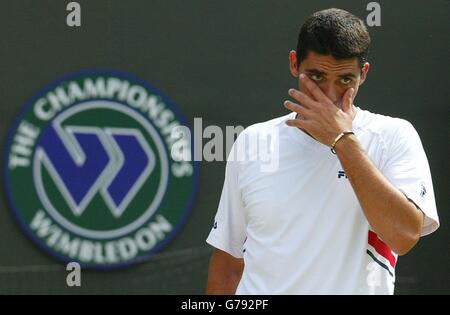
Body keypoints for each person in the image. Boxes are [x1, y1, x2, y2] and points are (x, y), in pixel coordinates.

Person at [205, 8, 439, 295]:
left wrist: (342, 139)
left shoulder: (394, 136)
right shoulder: (253, 140)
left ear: (363, 74)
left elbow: (403, 237)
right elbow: (229, 263)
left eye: (345, 80)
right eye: (316, 77)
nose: (329, 96)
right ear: (294, 63)